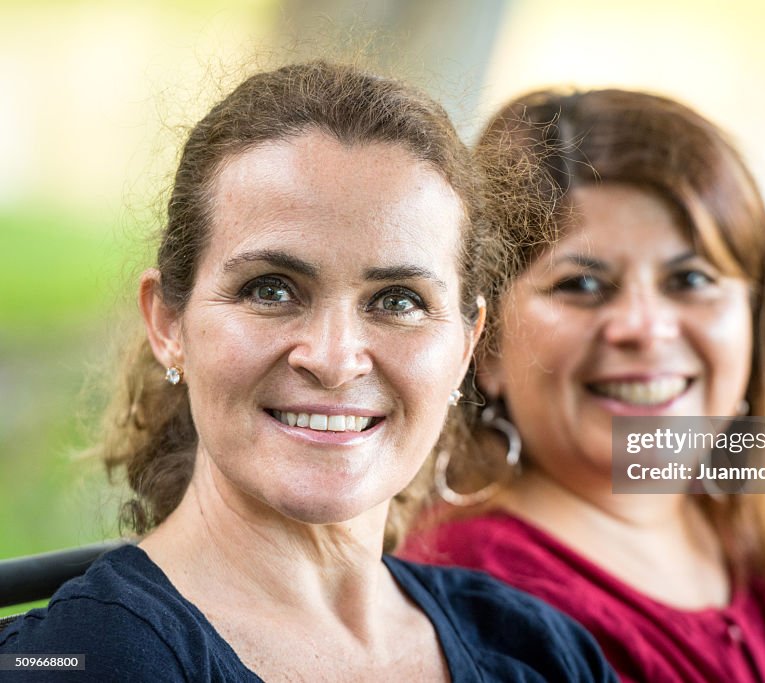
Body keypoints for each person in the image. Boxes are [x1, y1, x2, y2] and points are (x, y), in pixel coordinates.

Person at [0, 63, 616, 682]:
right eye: (271, 290)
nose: (332, 357)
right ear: (167, 324)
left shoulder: (536, 649)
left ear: (465, 344)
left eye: (398, 300)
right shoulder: (74, 661)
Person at [401, 89, 765, 682]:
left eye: (690, 278)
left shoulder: (742, 532)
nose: (646, 328)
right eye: (582, 285)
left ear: (753, 318)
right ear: (485, 344)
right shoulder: (483, 601)